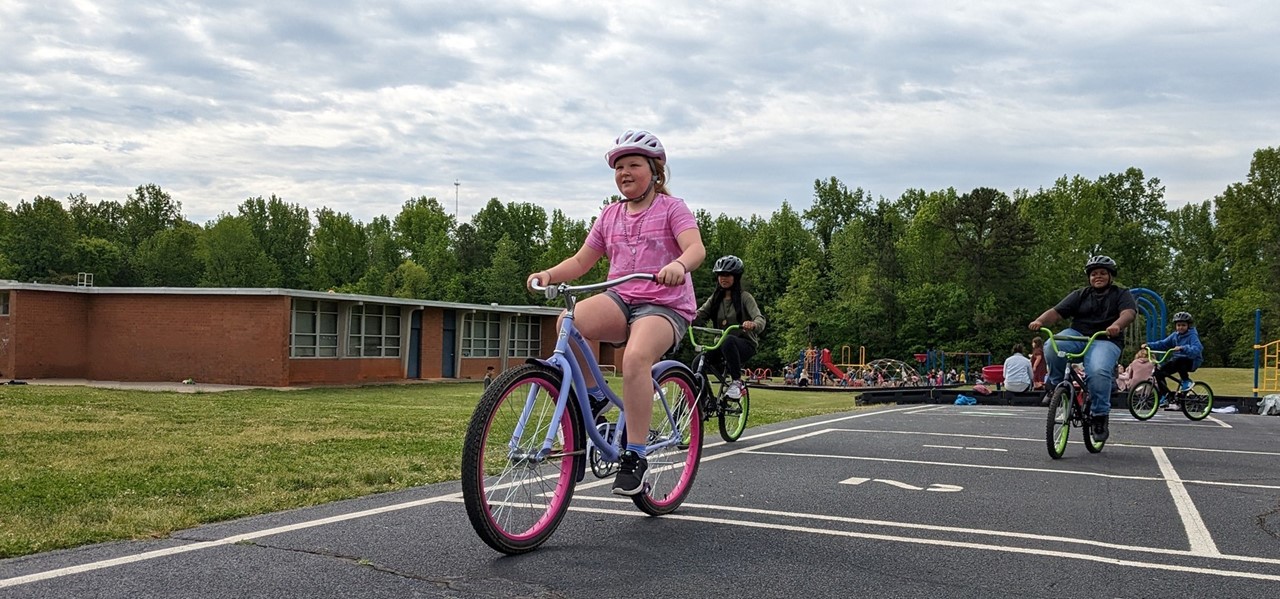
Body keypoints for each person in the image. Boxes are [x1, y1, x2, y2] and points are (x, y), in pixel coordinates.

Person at [526, 129, 705, 496]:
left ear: (655, 171)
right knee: (569, 321)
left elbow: (695, 248)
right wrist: (548, 274)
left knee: (636, 358)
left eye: (633, 164)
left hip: (664, 304)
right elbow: (581, 261)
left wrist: (679, 266)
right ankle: (593, 395)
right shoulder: (610, 215)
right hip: (621, 300)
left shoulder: (673, 208)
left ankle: (635, 455)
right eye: (619, 166)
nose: (624, 172)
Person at [1028, 255, 1137, 442]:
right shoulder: (1081, 294)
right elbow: (1056, 312)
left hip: (1105, 339)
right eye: (1094, 274)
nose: (1098, 276)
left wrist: (1117, 325)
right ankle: (1054, 386)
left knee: (1098, 370)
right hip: (1078, 335)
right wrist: (1039, 320)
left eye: (1103, 273)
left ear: (1111, 276)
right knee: (1052, 345)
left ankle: (1099, 416)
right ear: (1089, 277)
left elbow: (1129, 313)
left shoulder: (1121, 293)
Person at [694, 255, 767, 401]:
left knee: (728, 340)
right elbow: (700, 314)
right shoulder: (715, 298)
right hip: (721, 344)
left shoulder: (745, 297)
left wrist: (753, 324)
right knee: (698, 361)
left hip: (744, 345)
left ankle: (736, 383)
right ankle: (699, 396)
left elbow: (760, 319)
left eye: (727, 275)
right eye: (720, 275)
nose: (723, 278)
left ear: (736, 277)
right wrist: (684, 317)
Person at [1143, 311, 1204, 402]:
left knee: (1179, 360)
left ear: (1188, 326)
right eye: (1178, 325)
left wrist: (1183, 348)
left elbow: (1197, 349)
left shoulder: (1192, 335)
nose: (1181, 327)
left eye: (1183, 325)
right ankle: (1166, 395)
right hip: (1177, 360)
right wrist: (1149, 345)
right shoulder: (1175, 336)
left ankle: (1186, 381)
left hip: (1191, 361)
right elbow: (1163, 344)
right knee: (1158, 372)